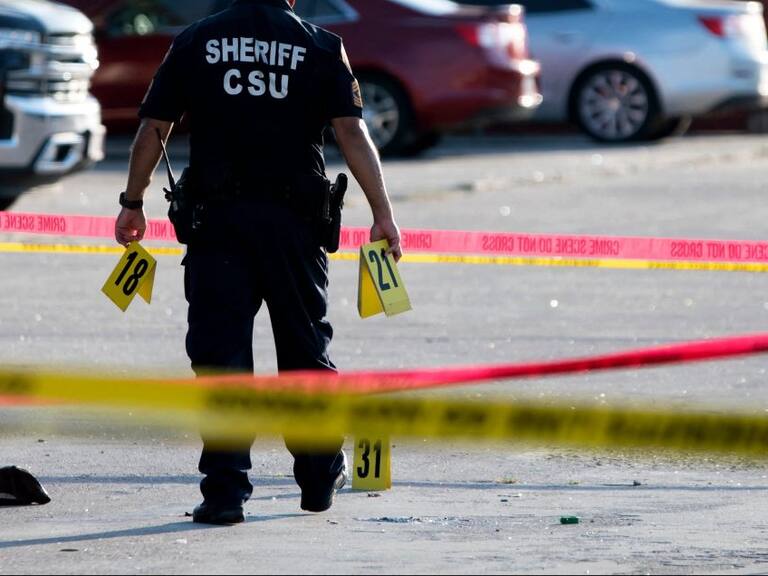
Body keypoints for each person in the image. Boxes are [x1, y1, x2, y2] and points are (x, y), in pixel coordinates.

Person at [113, 0, 402, 525]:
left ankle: (224, 493)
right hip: (294, 226)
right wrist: (383, 214)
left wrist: (133, 203)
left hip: (217, 226)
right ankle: (318, 478)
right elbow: (351, 132)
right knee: (305, 350)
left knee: (221, 359)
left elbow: (155, 127)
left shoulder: (196, 40)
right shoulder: (319, 45)